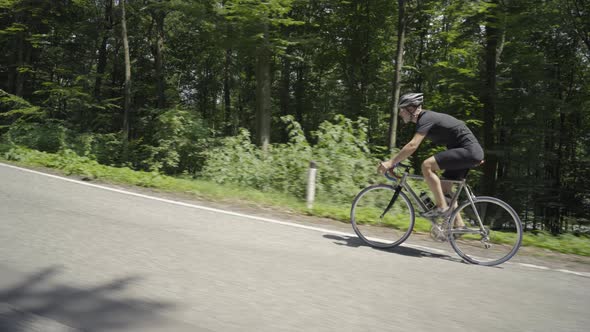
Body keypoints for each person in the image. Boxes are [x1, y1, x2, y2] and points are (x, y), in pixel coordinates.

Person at [377, 93, 484, 221]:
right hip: (467, 153)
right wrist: (395, 163)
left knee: (427, 165)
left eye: (402, 109)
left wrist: (390, 162)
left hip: (469, 152)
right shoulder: (424, 120)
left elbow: (413, 145)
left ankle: (441, 208)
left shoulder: (426, 118)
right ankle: (459, 227)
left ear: (411, 109)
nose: (400, 113)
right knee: (445, 189)